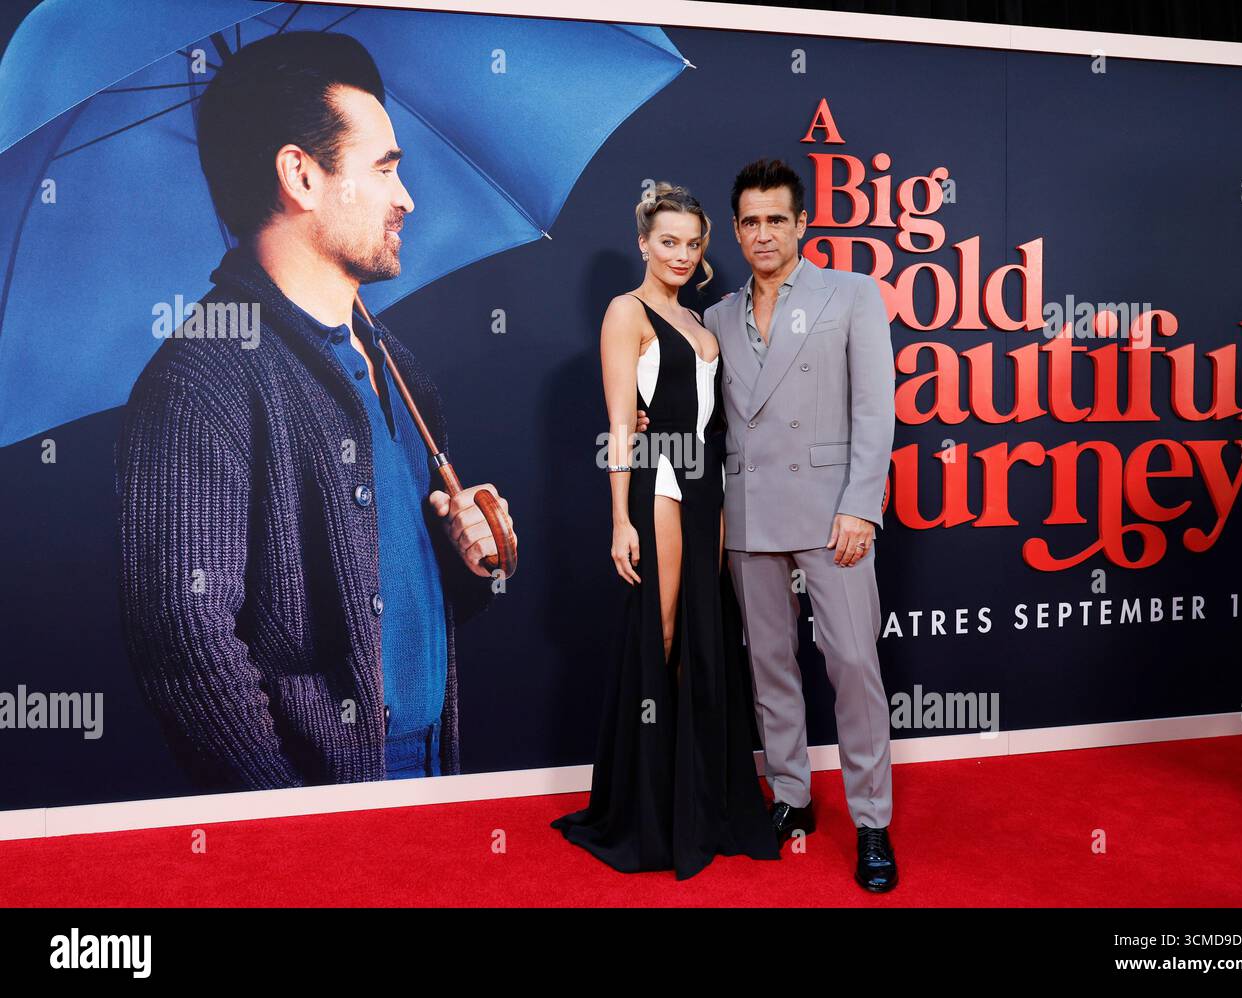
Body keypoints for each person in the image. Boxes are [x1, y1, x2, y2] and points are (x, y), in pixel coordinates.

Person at [116, 31, 512, 790]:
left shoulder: (400, 368)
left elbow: (379, 611)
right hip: (323, 810)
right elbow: (183, 637)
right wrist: (290, 826)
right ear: (300, 174)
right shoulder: (202, 377)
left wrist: (472, 562)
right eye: (385, 169)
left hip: (431, 777)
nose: (407, 198)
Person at [638, 160, 899, 892]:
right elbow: (685, 411)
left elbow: (877, 411)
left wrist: (860, 505)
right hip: (747, 513)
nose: (763, 234)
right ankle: (790, 797)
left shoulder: (850, 295)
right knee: (769, 667)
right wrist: (635, 425)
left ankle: (872, 820)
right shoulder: (714, 316)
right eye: (749, 221)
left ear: (802, 224)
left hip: (830, 514)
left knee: (852, 666)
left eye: (776, 219)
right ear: (738, 228)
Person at [551, 183, 780, 880]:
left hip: (711, 485)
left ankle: (697, 798)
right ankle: (646, 809)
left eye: (693, 243)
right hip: (661, 485)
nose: (681, 254)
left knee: (706, 636)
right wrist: (620, 517)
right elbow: (623, 425)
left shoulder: (705, 323)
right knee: (666, 629)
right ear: (644, 243)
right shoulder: (628, 312)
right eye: (669, 241)